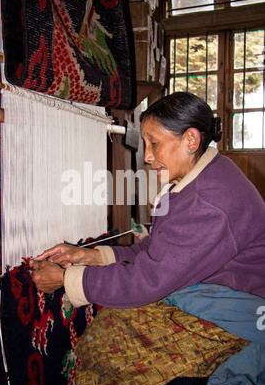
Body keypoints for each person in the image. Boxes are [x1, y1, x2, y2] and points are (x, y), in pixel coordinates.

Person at [30, 91, 265, 307]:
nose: (148, 156)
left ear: (191, 141)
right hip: (221, 293)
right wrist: (92, 256)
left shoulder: (209, 202)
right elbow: (159, 251)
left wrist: (66, 278)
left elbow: (149, 281)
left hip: (241, 309)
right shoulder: (206, 177)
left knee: (111, 338)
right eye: (145, 145)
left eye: (154, 143)